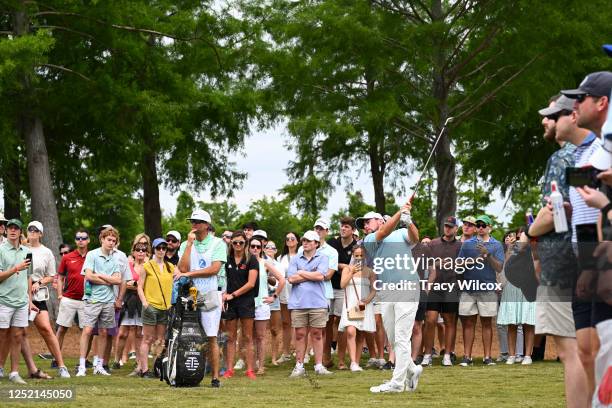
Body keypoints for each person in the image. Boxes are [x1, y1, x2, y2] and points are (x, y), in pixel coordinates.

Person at [528, 94, 588, 408]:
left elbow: (555, 214)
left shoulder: (562, 158)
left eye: (551, 115)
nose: (545, 121)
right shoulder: (591, 154)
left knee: (570, 352)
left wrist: (530, 231)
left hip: (560, 266)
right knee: (588, 350)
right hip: (586, 261)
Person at [359, 203, 422, 394]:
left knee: (402, 337)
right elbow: (384, 231)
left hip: (407, 288)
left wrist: (408, 221)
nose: (365, 227)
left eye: (367, 222)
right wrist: (400, 211)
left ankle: (397, 383)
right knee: (395, 339)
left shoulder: (400, 233)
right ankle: (412, 369)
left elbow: (415, 238)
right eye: (363, 225)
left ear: (379, 220)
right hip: (386, 292)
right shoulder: (369, 239)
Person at [177, 209, 226, 388]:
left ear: (206, 225)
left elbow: (214, 269)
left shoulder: (218, 243)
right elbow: (183, 268)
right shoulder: (186, 244)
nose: (194, 225)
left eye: (197, 222)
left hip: (210, 294)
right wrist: (189, 245)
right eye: (192, 221)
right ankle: (187, 371)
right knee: (187, 335)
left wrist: (191, 272)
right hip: (190, 294)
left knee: (211, 336)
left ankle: (215, 377)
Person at [457, 215, 504, 367]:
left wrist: (487, 254)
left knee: (486, 323)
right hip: (469, 288)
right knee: (468, 323)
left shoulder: (496, 245)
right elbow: (459, 265)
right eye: (478, 225)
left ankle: (487, 357)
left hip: (487, 288)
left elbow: (499, 267)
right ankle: (467, 357)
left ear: (490, 227)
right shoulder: (467, 244)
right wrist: (471, 261)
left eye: (484, 225)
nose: (481, 227)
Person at [25, 221, 70, 377]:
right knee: (14, 333)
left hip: (37, 296)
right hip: (18, 294)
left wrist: (38, 282)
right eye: (30, 229)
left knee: (46, 328)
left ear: (41, 234)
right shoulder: (21, 248)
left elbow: (52, 276)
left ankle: (61, 365)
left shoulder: (47, 252)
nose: (32, 232)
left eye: (35, 230)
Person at [76, 227, 123, 376]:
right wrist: (108, 280)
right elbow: (89, 276)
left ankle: (99, 365)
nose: (111, 243)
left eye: (114, 241)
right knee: (88, 330)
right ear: (102, 239)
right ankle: (82, 366)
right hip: (92, 299)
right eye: (109, 240)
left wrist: (101, 276)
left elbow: (118, 280)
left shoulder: (115, 259)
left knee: (104, 332)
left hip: (108, 301)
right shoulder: (92, 255)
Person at [287, 230, 331, 377]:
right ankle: (299, 365)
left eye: (308, 240)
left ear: (316, 243)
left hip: (318, 302)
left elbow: (320, 276)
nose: (304, 242)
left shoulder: (323, 257)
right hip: (298, 303)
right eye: (304, 240)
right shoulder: (295, 258)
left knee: (317, 334)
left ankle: (319, 365)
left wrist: (301, 272)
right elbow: (291, 279)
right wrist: (311, 273)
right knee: (299, 334)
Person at [422, 216, 462, 367]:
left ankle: (447, 354)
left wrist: (454, 264)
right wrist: (438, 263)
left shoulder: (460, 245)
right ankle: (427, 354)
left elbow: (464, 264)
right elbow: (425, 263)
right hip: (435, 286)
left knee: (449, 322)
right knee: (430, 320)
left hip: (451, 286)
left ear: (456, 229)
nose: (448, 228)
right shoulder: (433, 243)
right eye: (446, 226)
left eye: (451, 226)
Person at [0, 219, 33, 384]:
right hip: (3, 300)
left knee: (18, 336)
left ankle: (14, 373)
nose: (13, 231)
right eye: (10, 228)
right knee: (2, 335)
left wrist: (30, 300)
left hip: (21, 301)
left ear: (20, 232)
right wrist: (15, 269)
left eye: (16, 229)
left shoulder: (27, 252)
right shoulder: (0, 250)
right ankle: (0, 368)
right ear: (6, 231)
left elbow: (29, 277)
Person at [222, 231, 258, 379]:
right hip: (230, 302)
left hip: (246, 301)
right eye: (235, 242)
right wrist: (224, 294)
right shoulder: (227, 259)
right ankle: (229, 369)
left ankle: (250, 369)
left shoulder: (252, 260)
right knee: (230, 337)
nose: (237, 245)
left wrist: (233, 294)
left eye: (241, 243)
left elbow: (251, 284)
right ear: (231, 243)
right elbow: (222, 279)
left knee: (248, 336)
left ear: (246, 244)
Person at [497, 230, 536, 365]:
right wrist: (509, 248)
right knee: (511, 323)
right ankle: (512, 355)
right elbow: (505, 266)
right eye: (517, 236)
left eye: (521, 236)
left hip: (528, 287)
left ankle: (527, 356)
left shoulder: (531, 247)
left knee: (528, 323)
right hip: (511, 287)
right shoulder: (510, 248)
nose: (517, 238)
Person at [138, 238, 174, 378]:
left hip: (165, 307)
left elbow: (180, 276)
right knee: (147, 338)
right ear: (153, 249)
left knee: (160, 339)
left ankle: (156, 368)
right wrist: (145, 303)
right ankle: (144, 370)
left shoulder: (170, 267)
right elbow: (139, 286)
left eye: (164, 248)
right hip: (151, 306)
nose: (161, 250)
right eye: (158, 248)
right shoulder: (147, 266)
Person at [338, 245, 376, 372]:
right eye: (356, 255)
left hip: (363, 305)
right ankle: (353, 362)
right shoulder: (347, 269)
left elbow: (374, 289)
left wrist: (368, 299)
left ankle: (356, 362)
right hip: (351, 304)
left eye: (361, 255)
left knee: (361, 334)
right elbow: (342, 284)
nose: (359, 258)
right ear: (353, 256)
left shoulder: (370, 271)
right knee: (350, 331)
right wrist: (352, 272)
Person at [249, 237, 284, 375]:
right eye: (253, 246)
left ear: (262, 249)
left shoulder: (264, 263)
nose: (255, 249)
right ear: (248, 247)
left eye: (258, 247)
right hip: (246, 303)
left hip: (261, 303)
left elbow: (281, 280)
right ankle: (250, 366)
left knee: (261, 336)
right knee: (248, 336)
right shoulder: (244, 263)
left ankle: (261, 366)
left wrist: (274, 296)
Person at [112, 238, 147, 374]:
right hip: (128, 300)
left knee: (139, 333)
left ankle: (139, 362)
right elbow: (120, 281)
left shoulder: (148, 266)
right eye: (138, 249)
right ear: (133, 252)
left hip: (141, 300)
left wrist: (137, 286)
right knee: (122, 332)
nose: (140, 252)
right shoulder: (127, 264)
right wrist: (129, 285)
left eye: (143, 250)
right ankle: (116, 360)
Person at [56, 229, 90, 366]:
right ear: (75, 241)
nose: (81, 240)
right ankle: (56, 359)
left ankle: (83, 361)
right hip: (68, 298)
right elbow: (60, 278)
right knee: (62, 328)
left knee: (86, 331)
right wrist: (59, 294)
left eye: (83, 238)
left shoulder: (93, 256)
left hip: (86, 300)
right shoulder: (67, 257)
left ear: (88, 240)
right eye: (78, 238)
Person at [327, 217, 357, 369]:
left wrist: (341, 267)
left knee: (340, 324)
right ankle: (326, 358)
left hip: (344, 289)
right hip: (327, 286)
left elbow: (355, 268)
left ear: (353, 230)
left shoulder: (356, 246)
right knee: (326, 322)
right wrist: (342, 265)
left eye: (346, 227)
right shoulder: (332, 243)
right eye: (342, 226)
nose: (343, 229)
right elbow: (326, 261)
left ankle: (341, 360)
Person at [309, 218, 339, 368]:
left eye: (321, 229)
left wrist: (308, 273)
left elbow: (328, 275)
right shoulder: (304, 248)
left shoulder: (332, 251)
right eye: (316, 228)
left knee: (324, 327)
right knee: (305, 327)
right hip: (306, 292)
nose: (318, 231)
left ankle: (325, 357)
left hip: (323, 293)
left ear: (327, 231)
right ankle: (310, 358)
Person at [276, 231, 300, 364]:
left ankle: (300, 352)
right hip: (285, 290)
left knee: (299, 322)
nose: (290, 240)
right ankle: (285, 353)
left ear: (297, 241)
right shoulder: (281, 258)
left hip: (298, 290)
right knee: (286, 323)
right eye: (287, 239)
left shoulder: (301, 256)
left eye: (292, 238)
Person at [264, 241, 283, 365]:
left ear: (276, 251)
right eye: (267, 247)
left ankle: (274, 358)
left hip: (274, 299)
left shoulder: (278, 265)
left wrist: (268, 276)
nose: (270, 249)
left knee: (274, 329)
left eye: (273, 247)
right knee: (259, 330)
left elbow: (277, 282)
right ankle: (259, 358)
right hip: (261, 299)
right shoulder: (259, 261)